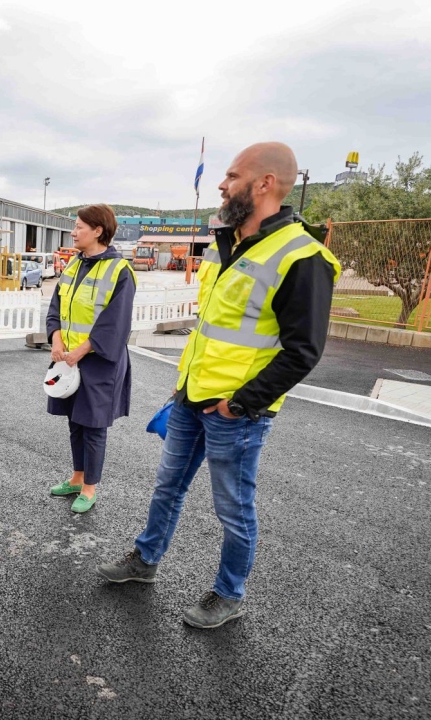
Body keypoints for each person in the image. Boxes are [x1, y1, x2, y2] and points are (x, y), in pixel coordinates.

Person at [97, 142, 341, 629]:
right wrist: (185, 384)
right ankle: (145, 561)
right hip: (192, 397)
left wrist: (241, 404)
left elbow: (303, 352)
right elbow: (213, 326)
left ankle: (229, 594)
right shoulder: (224, 242)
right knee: (168, 486)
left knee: (233, 507)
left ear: (264, 183)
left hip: (237, 412)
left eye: (232, 176)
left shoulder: (303, 256)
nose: (222, 185)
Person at [46, 204, 136, 514]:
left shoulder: (120, 271)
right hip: (69, 358)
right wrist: (56, 339)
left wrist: (81, 351)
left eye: (79, 227)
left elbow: (115, 324)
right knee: (75, 421)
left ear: (98, 231)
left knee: (94, 425)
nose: (73, 232)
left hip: (99, 361)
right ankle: (76, 478)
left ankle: (89, 488)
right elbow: (56, 307)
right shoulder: (74, 264)